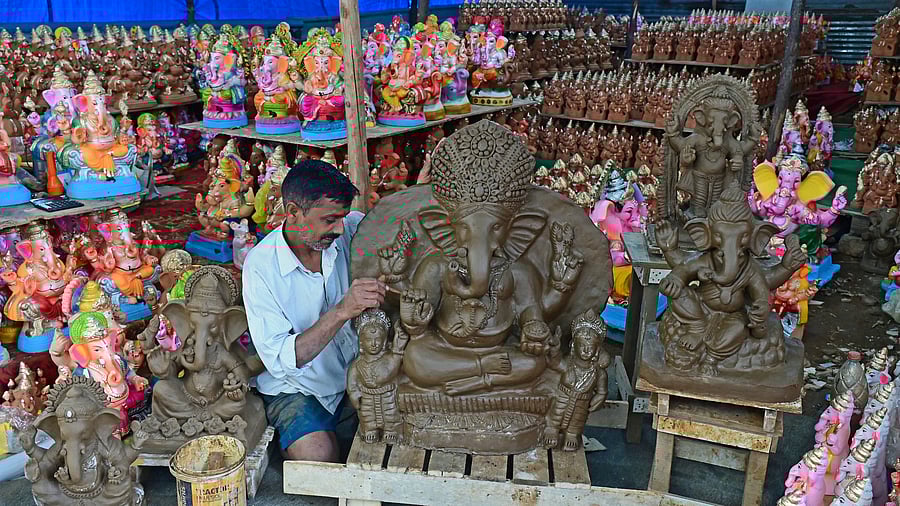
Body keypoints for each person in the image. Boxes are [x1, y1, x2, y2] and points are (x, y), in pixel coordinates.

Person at [242, 159, 386, 462]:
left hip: (356, 373)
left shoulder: (350, 227)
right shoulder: (261, 267)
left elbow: (395, 229)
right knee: (318, 460)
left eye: (342, 218)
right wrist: (341, 311)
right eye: (329, 220)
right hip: (299, 388)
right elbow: (282, 360)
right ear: (293, 212)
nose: (338, 228)